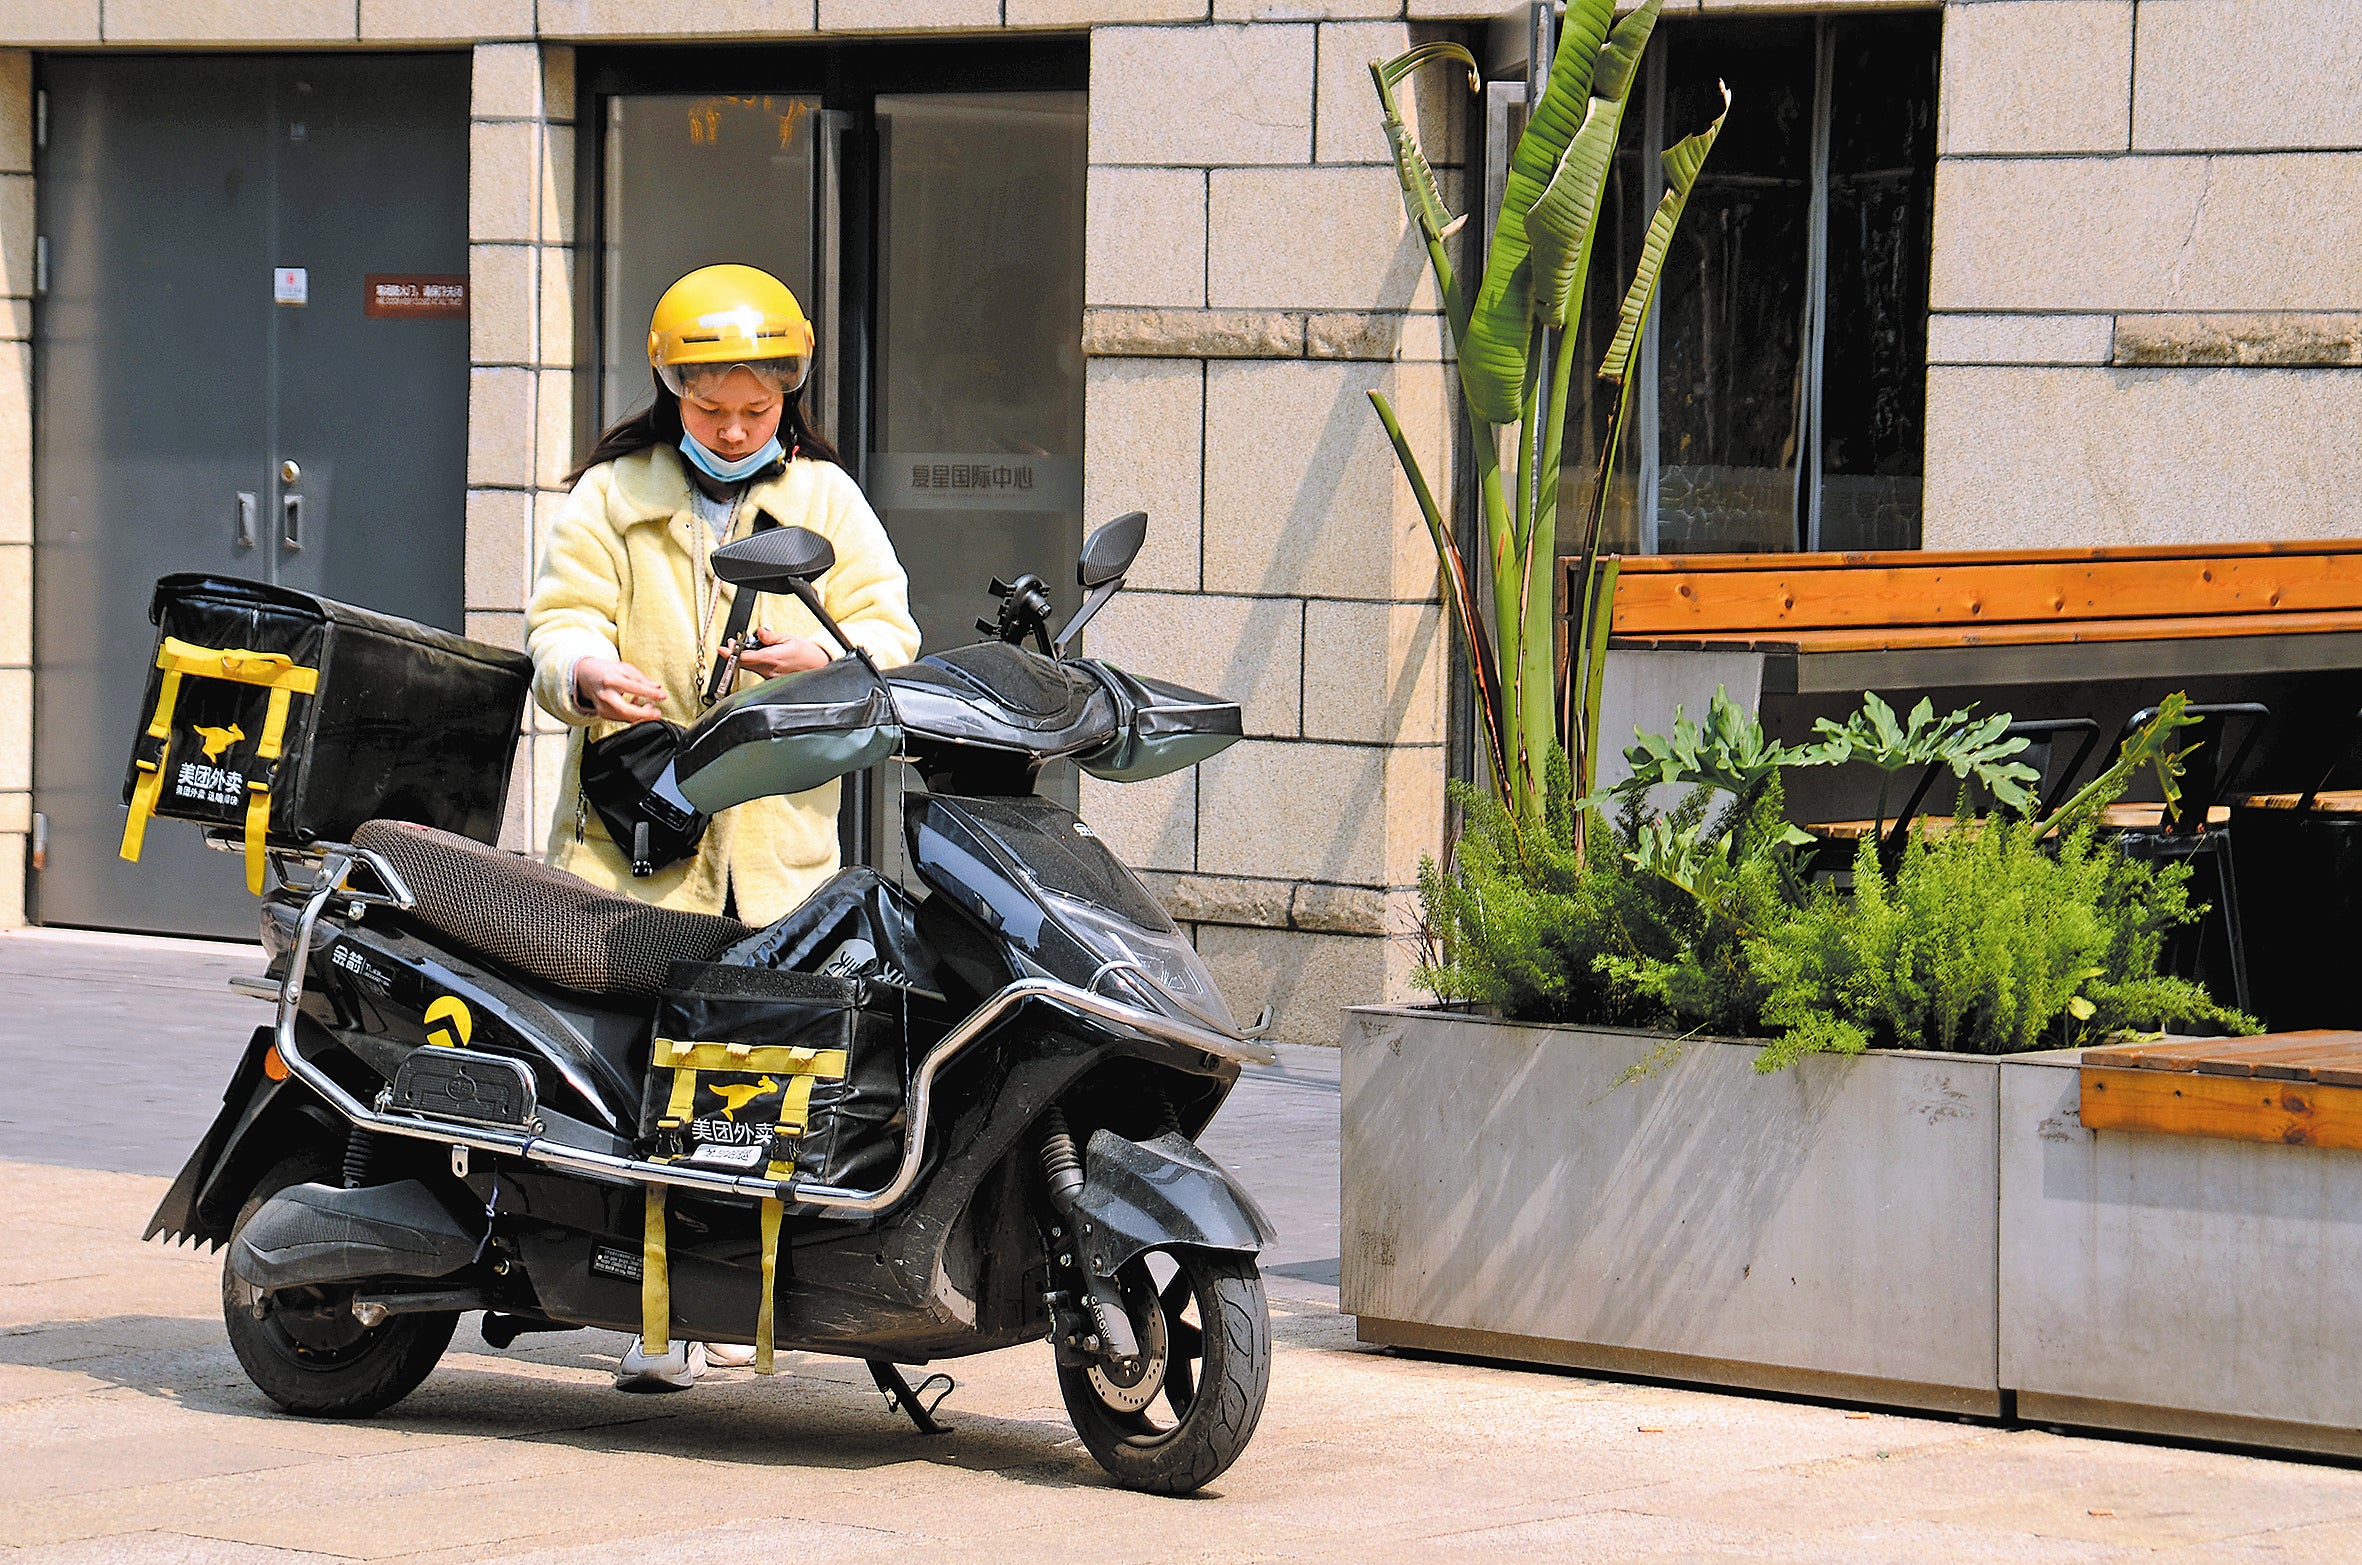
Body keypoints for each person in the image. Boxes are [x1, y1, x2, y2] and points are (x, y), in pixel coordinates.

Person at [525, 263, 920, 1392]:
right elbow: (555, 627)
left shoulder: (829, 501)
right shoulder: (612, 493)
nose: (736, 430)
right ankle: (651, 1312)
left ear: (789, 396)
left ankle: (754, 1301)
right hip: (633, 845)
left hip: (777, 854)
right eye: (712, 411)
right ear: (671, 392)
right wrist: (588, 673)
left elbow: (892, 634)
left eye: (757, 411)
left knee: (759, 1082)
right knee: (642, 1079)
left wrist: (831, 658)